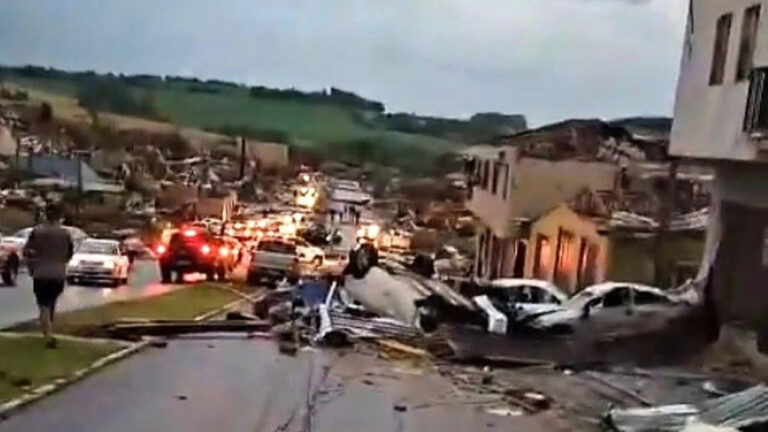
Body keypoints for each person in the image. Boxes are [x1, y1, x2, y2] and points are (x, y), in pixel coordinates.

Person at [23, 205, 74, 348]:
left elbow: (28, 251)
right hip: (58, 273)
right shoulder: (65, 234)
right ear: (59, 216)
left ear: (46, 215)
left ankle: (48, 335)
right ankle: (49, 329)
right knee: (51, 301)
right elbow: (69, 253)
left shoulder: (37, 231)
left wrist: (31, 266)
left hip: (41, 272)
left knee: (43, 304)